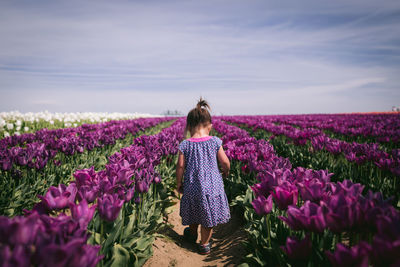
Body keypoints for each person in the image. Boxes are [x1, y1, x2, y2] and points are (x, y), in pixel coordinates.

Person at [176, 98, 231, 255]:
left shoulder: (185, 144)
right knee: (208, 216)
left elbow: (180, 166)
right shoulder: (215, 141)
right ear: (210, 127)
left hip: (192, 185)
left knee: (194, 210)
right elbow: (225, 161)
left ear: (188, 126)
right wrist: (226, 171)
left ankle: (192, 234)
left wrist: (179, 183)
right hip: (212, 186)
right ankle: (205, 244)